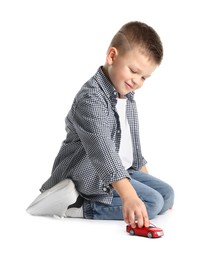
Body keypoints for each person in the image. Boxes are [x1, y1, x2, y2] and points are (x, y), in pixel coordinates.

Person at [26, 21, 174, 228]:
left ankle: (141, 196)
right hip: (91, 174)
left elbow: (133, 145)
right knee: (153, 203)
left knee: (165, 195)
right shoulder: (91, 99)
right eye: (133, 71)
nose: (137, 81)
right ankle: (78, 207)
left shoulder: (128, 96)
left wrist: (144, 182)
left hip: (121, 170)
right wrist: (131, 196)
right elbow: (103, 152)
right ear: (112, 56)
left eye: (144, 77)